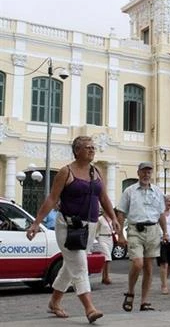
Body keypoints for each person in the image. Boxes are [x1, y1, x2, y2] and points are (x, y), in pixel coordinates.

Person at [26, 135, 119, 324]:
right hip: (68, 227)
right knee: (80, 265)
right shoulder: (65, 172)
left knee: (70, 267)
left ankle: (54, 302)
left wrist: (113, 218)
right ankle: (89, 308)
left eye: (93, 147)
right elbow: (52, 199)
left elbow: (103, 198)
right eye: (87, 147)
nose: (92, 150)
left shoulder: (96, 172)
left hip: (90, 226)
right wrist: (36, 223)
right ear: (77, 151)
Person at [116, 162, 168, 312]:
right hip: (135, 230)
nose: (146, 175)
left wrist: (165, 232)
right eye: (144, 172)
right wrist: (120, 234)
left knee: (149, 268)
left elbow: (161, 214)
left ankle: (144, 301)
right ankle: (131, 292)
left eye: (149, 172)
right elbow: (121, 212)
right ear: (138, 173)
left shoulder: (157, 192)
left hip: (153, 230)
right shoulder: (129, 191)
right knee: (137, 263)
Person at [96, 210, 115, 285]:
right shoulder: (100, 219)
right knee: (108, 258)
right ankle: (107, 277)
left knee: (106, 259)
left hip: (110, 239)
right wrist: (97, 239)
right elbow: (96, 230)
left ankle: (103, 277)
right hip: (102, 238)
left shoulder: (112, 218)